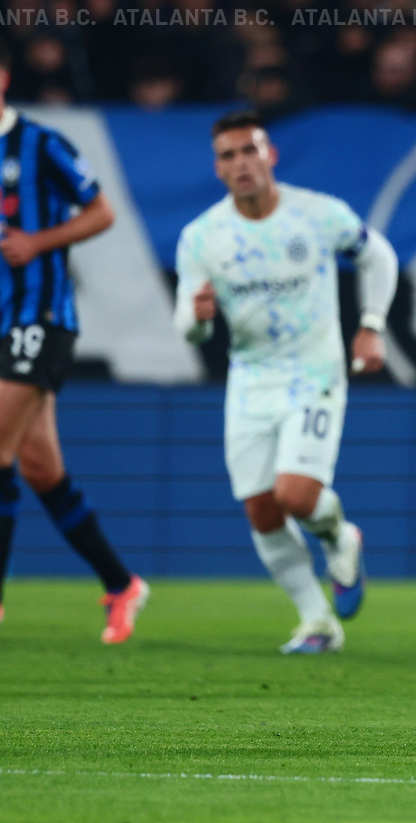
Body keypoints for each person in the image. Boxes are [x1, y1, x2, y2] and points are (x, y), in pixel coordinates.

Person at [173, 111, 397, 654]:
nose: (241, 163)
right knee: (261, 510)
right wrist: (198, 319)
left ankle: (340, 537)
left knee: (295, 495)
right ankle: (317, 622)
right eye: (228, 156)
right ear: (218, 168)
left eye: (249, 150)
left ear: (270, 155)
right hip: (251, 379)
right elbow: (188, 327)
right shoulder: (202, 237)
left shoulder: (317, 214)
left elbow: (379, 256)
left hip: (314, 373)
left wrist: (371, 325)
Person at [0, 37, 149, 642]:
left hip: (40, 316)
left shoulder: (41, 144)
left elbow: (102, 212)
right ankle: (122, 583)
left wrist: (38, 242)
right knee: (41, 468)